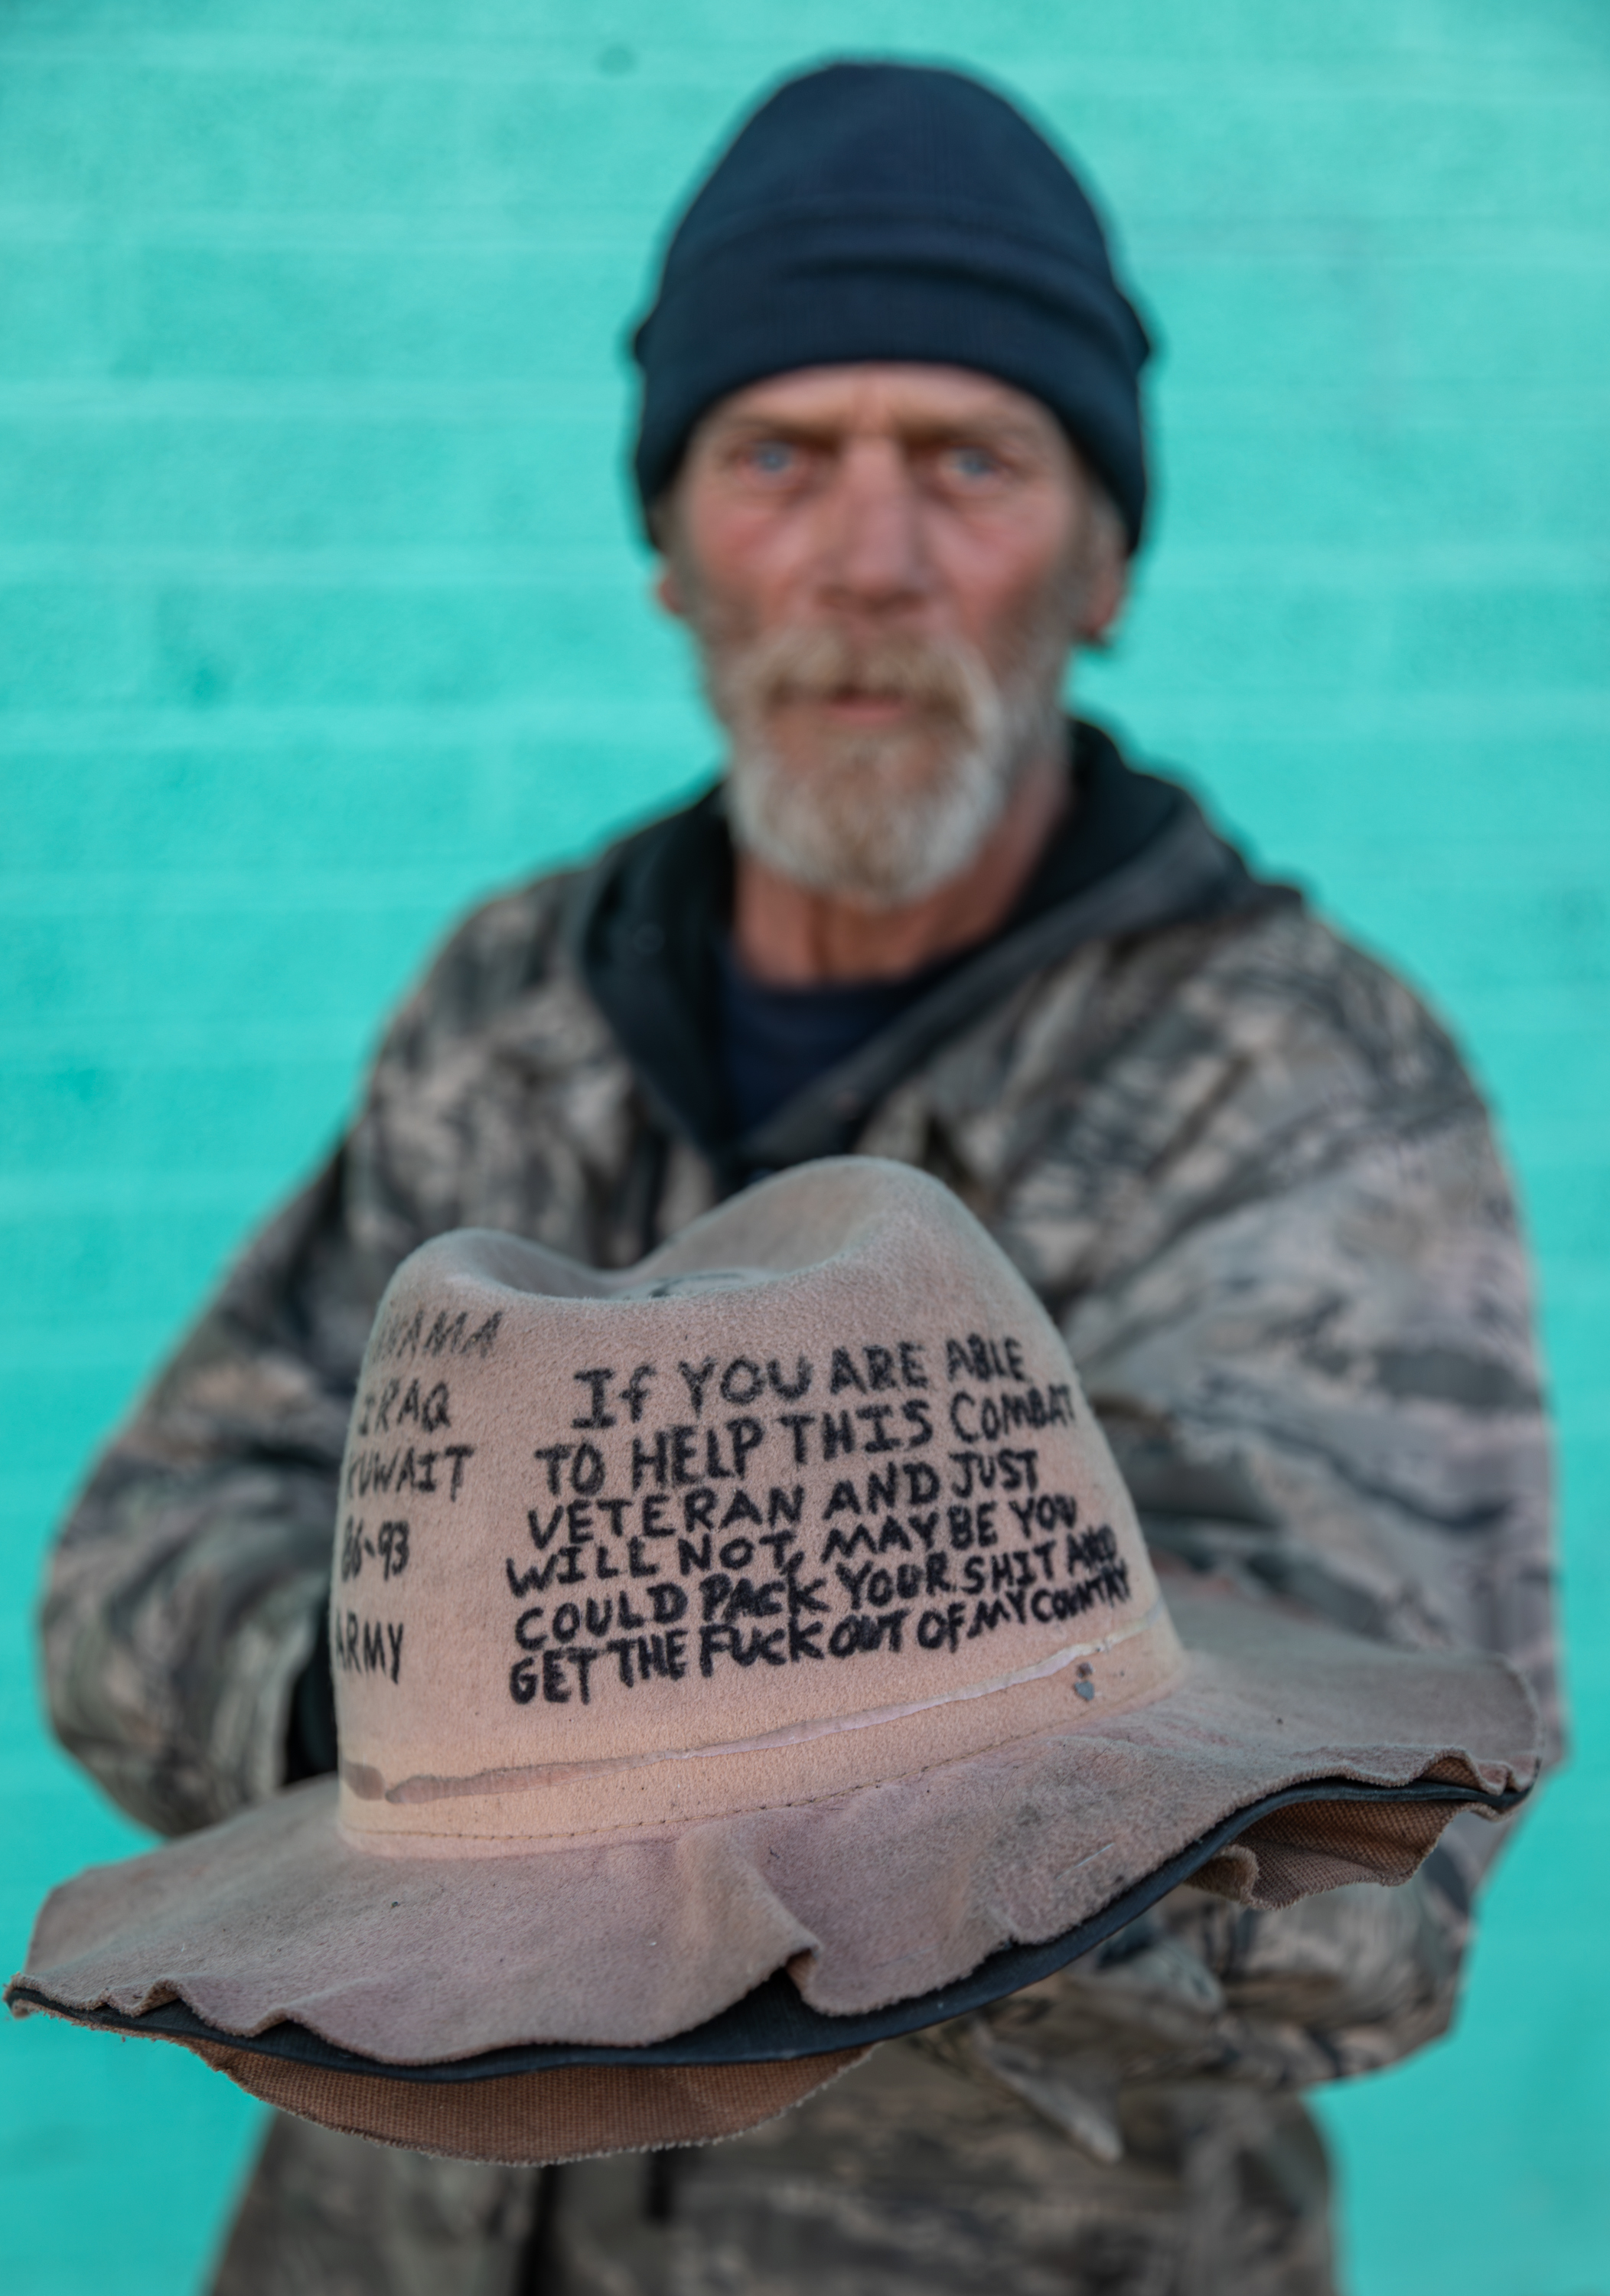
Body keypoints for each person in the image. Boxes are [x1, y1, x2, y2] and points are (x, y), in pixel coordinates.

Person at [44, 60, 1553, 2296]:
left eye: (970, 461)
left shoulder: (1306, 1084)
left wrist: (588, 1739)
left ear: (1107, 559)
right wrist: (413, 1746)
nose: (869, 561)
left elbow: (1364, 1910)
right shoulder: (512, 993)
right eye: (778, 459)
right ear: (670, 554)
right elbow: (137, 1561)